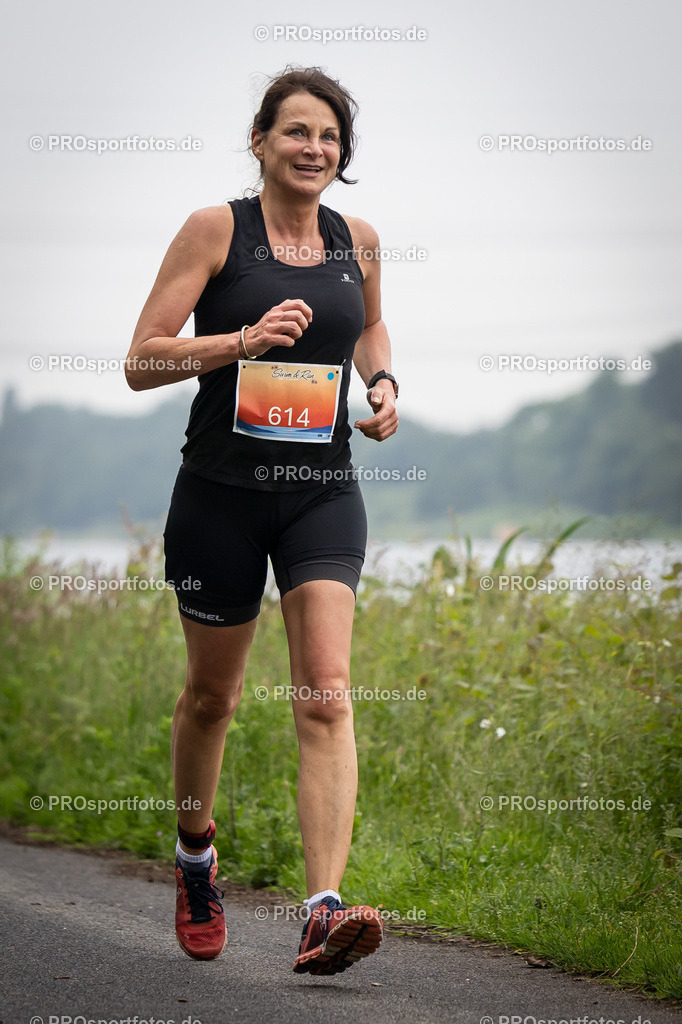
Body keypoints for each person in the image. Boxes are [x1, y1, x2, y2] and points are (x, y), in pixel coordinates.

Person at [125, 66, 399, 975]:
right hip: (220, 499)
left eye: (328, 138)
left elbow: (370, 327)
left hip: (321, 490)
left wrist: (383, 382)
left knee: (325, 692)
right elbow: (141, 361)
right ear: (261, 141)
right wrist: (240, 343)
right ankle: (196, 856)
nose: (313, 149)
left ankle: (322, 910)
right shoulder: (215, 231)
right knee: (215, 698)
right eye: (296, 133)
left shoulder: (356, 239)